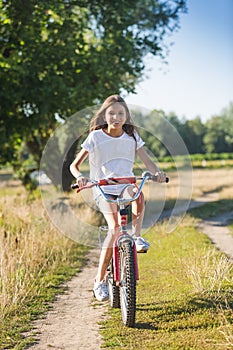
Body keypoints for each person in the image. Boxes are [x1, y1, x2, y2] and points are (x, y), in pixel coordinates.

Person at [70, 94, 166, 301]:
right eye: (112, 113)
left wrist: (157, 173)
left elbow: (148, 163)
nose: (116, 117)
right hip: (102, 189)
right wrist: (80, 178)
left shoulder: (131, 137)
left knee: (137, 193)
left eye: (121, 113)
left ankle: (137, 236)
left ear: (126, 116)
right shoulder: (95, 137)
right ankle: (99, 281)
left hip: (125, 186)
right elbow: (74, 165)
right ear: (104, 115)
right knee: (114, 229)